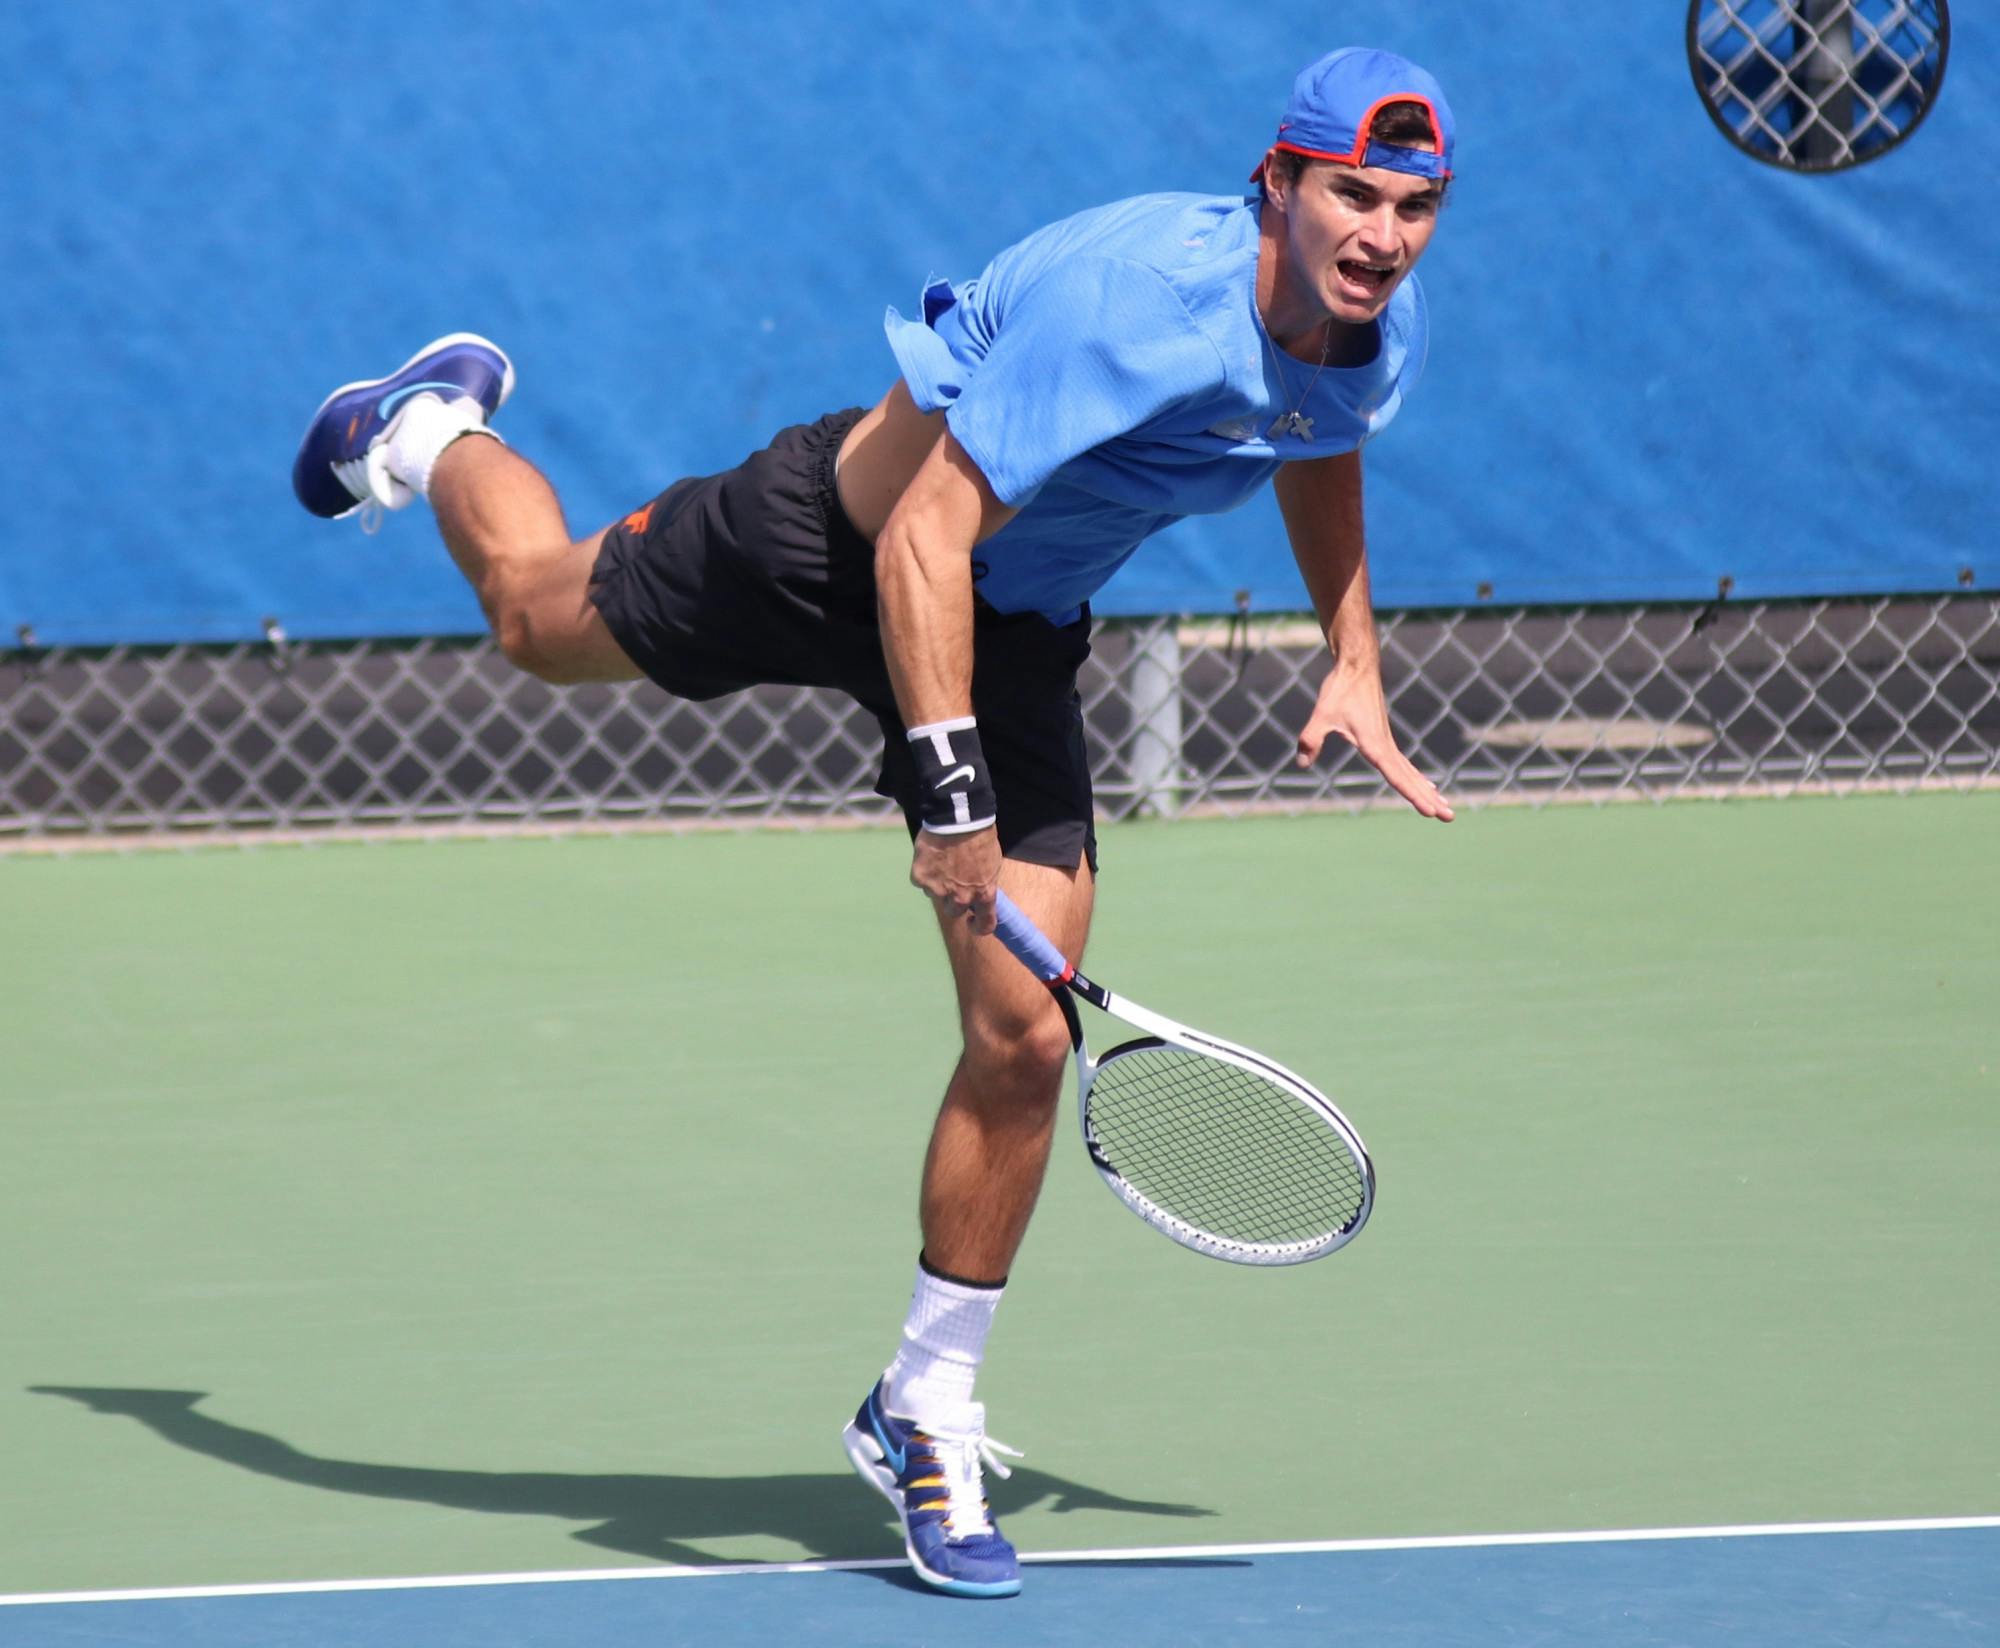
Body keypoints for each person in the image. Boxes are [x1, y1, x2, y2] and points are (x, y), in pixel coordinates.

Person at [291, 45, 1458, 1599]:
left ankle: (927, 1402)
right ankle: (433, 427)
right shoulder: (1138, 309)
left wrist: (1353, 654)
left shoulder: (1370, 329)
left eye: (1414, 208)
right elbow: (921, 538)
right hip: (830, 549)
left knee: (1024, 1035)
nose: (1383, 236)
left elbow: (1319, 437)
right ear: (1280, 181)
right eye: (1354, 196)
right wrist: (951, 795)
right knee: (529, 619)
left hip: (1014, 627)